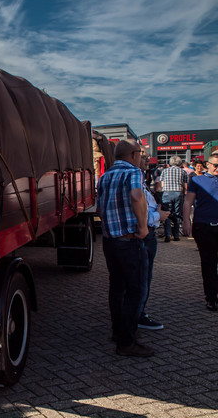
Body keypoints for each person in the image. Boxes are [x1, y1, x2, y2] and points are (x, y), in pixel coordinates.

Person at [97, 139, 152, 357]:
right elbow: (137, 196)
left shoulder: (105, 176)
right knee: (137, 290)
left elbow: (100, 207)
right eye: (140, 153)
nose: (141, 157)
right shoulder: (133, 172)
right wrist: (143, 227)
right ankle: (127, 341)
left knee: (117, 287)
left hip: (110, 241)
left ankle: (117, 331)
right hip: (129, 240)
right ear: (132, 154)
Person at [138, 147, 170, 330]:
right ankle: (138, 315)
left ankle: (134, 313)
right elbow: (137, 213)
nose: (146, 159)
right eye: (143, 156)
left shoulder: (141, 176)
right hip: (143, 234)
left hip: (143, 233)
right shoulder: (134, 177)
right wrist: (159, 216)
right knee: (142, 278)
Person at [182, 153, 218, 311]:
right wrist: (186, 221)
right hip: (204, 226)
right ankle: (211, 297)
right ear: (207, 165)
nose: (217, 168)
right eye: (215, 165)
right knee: (208, 263)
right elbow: (188, 201)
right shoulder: (197, 180)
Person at [160, 156, 188, 242]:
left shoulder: (164, 171)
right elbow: (185, 186)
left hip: (167, 192)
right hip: (178, 193)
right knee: (177, 214)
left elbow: (162, 185)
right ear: (180, 163)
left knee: (166, 214)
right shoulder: (183, 172)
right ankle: (176, 235)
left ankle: (168, 235)